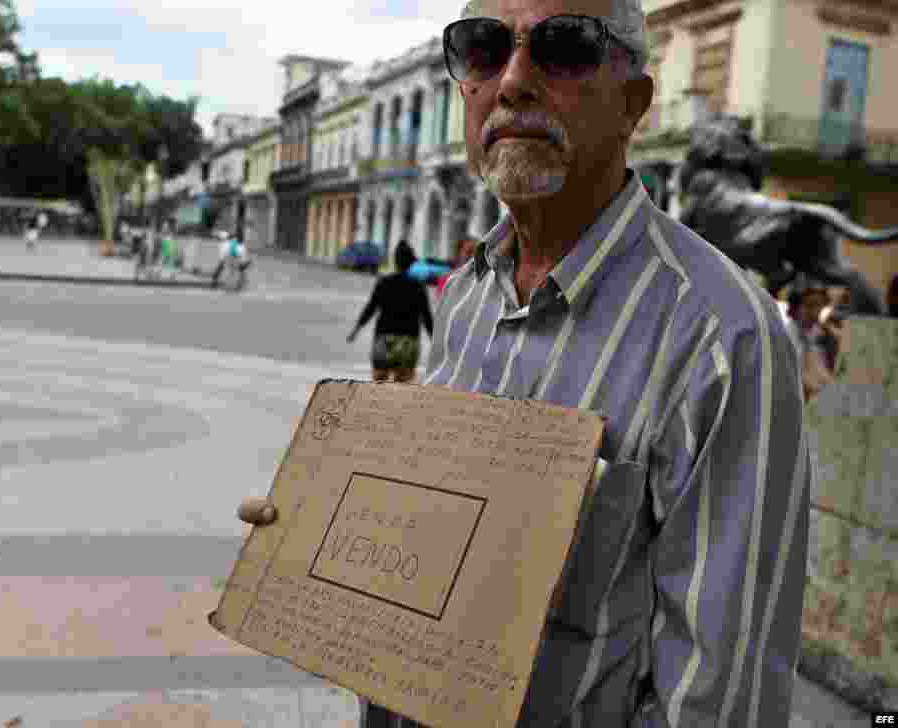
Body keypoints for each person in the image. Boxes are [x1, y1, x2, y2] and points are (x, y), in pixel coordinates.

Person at [241, 0, 809, 725]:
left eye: (563, 47)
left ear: (633, 103)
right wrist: (318, 536)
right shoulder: (467, 294)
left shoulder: (724, 339)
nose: (512, 82)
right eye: (482, 48)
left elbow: (719, 699)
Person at [346, 240, 434, 383]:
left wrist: (356, 330)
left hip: (384, 339)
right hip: (408, 341)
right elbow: (426, 316)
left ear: (395, 261)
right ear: (411, 263)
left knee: (379, 384)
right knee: (403, 385)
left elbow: (371, 308)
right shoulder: (418, 286)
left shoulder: (384, 282)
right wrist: (434, 340)